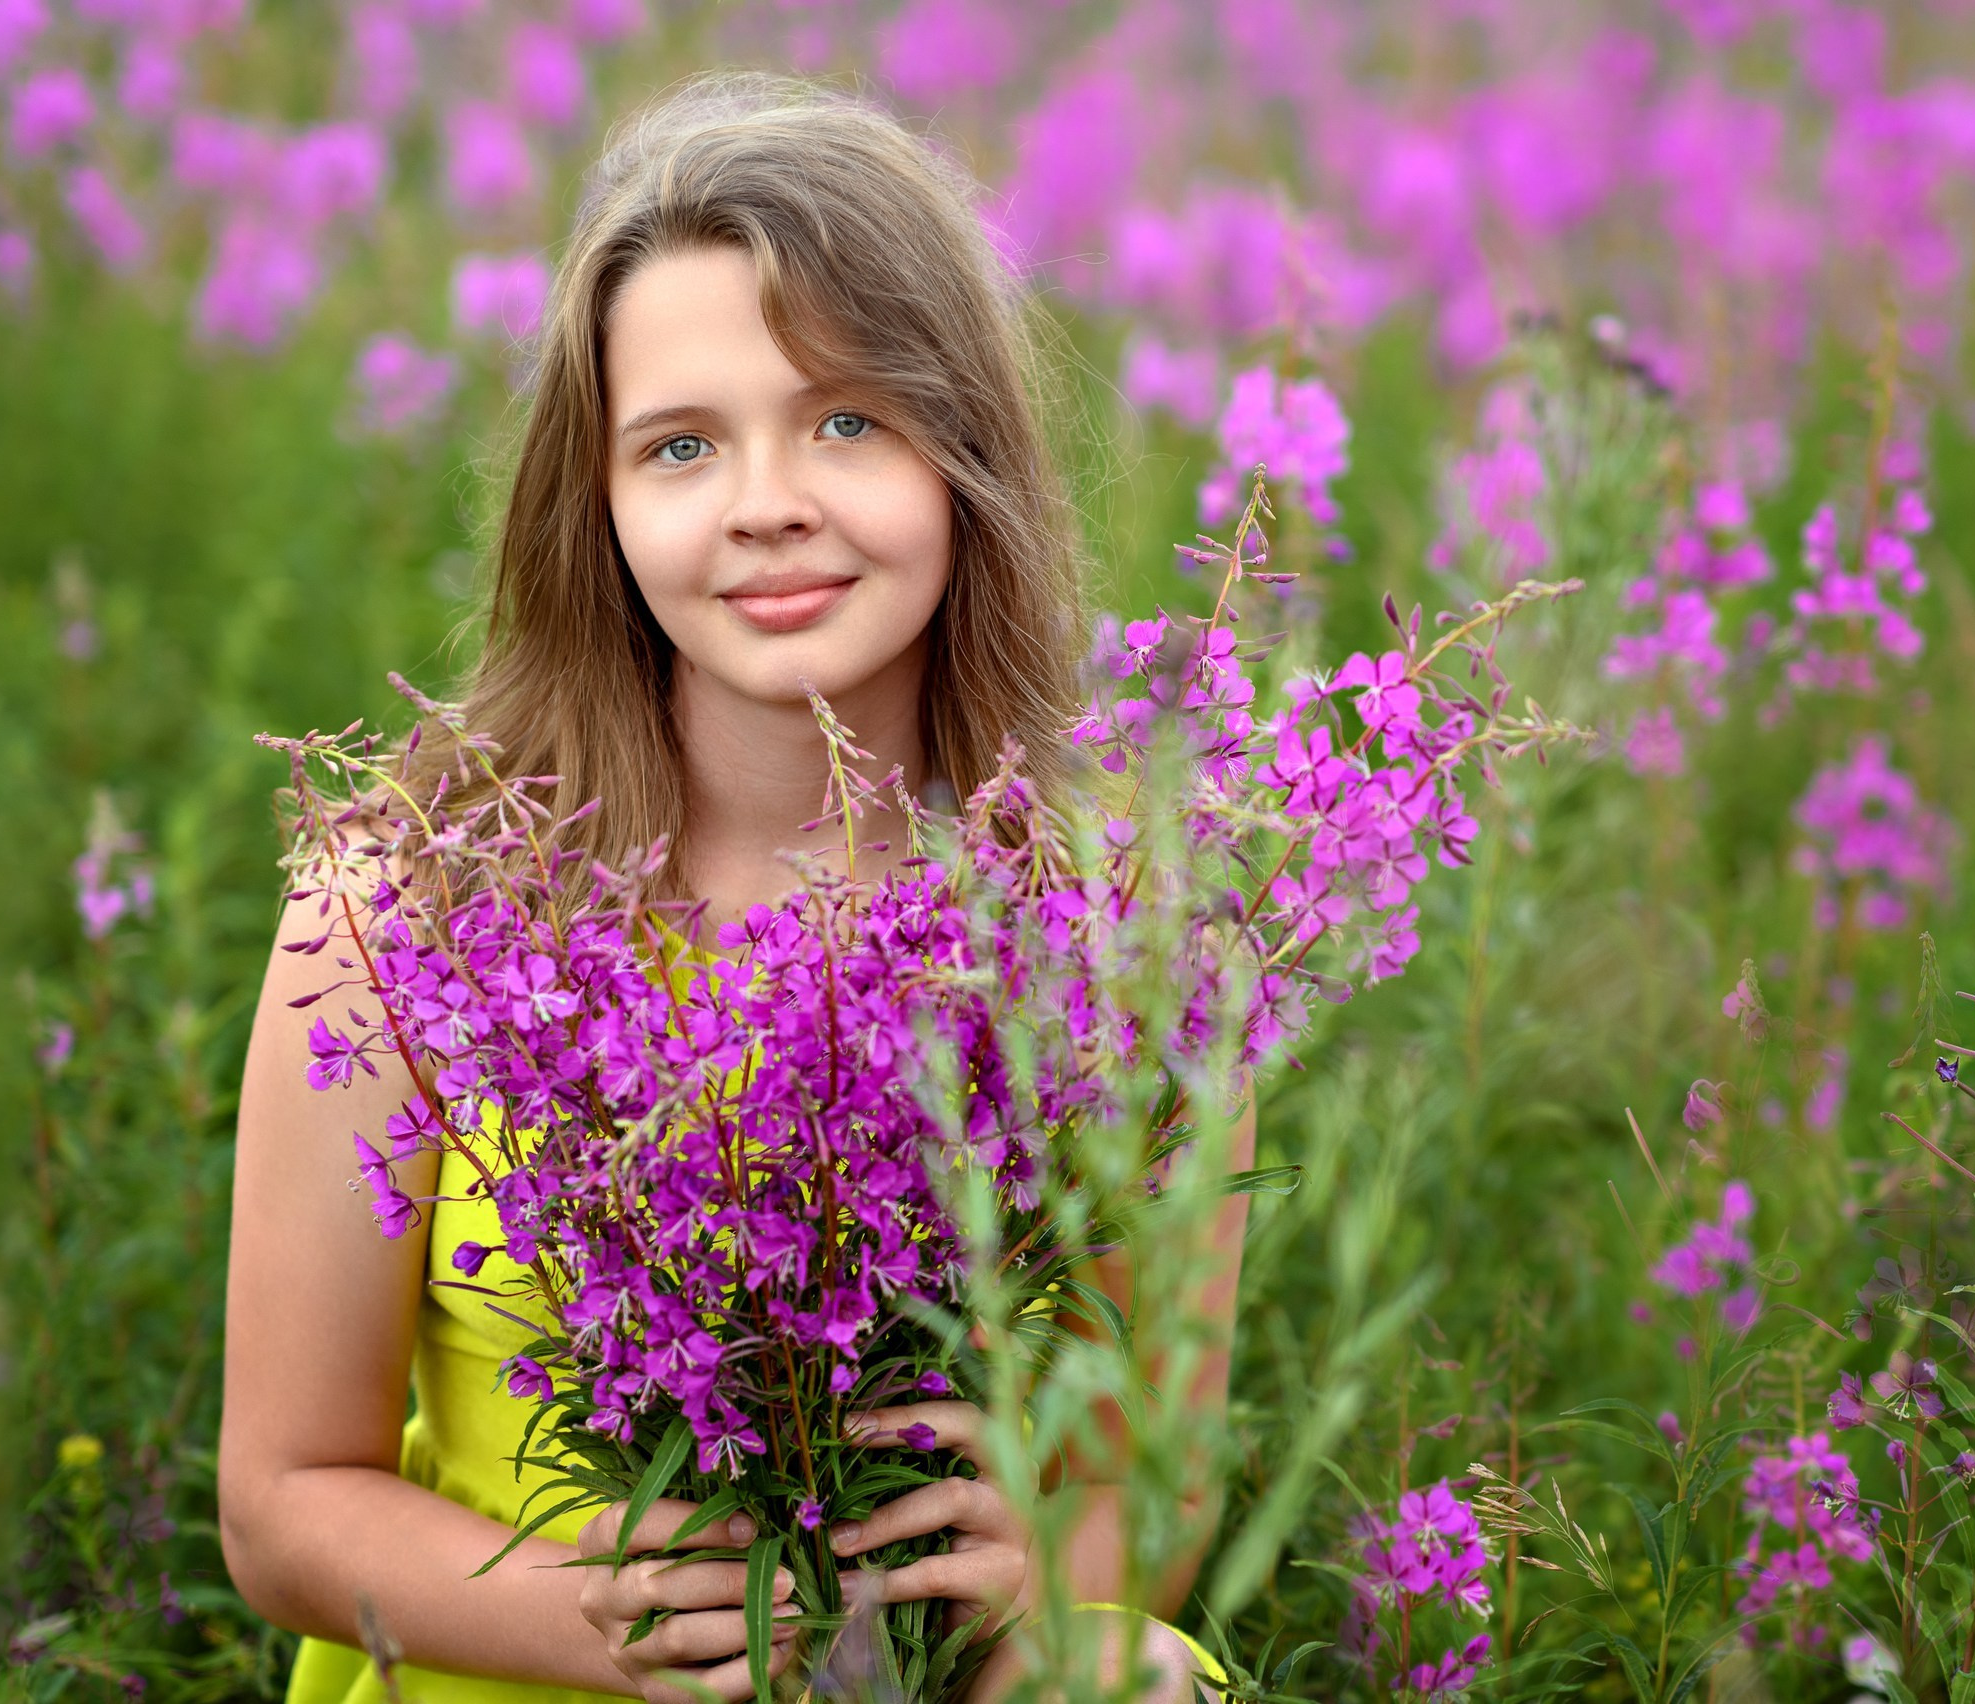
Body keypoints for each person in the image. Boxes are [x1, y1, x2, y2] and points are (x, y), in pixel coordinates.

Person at [220, 73, 1248, 1704]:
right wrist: (605, 1624)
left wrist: (1055, 1577)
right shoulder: (403, 913)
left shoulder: (1122, 933)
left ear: (963, 447)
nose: (769, 502)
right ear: (603, 504)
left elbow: (1155, 1474)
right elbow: (282, 1503)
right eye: (682, 444)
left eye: (847, 417)